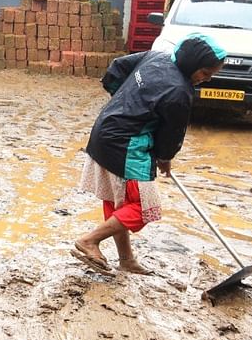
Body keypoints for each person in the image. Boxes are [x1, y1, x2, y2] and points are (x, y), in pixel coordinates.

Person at [72, 34, 227, 275]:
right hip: (125, 146)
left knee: (119, 204)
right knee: (146, 207)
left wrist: (125, 100)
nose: (206, 79)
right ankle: (89, 241)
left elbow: (117, 68)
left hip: (103, 131)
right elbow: (171, 135)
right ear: (192, 63)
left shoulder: (155, 57)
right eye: (205, 72)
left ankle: (126, 260)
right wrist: (165, 158)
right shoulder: (180, 91)